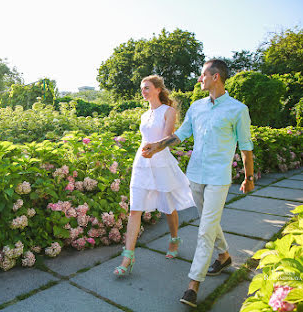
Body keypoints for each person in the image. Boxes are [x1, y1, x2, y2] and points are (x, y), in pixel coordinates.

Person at [142, 59, 254, 307]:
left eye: (203, 75)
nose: (199, 79)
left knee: (205, 230)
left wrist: (249, 177)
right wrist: (157, 146)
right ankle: (224, 256)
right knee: (209, 223)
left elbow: (246, 147)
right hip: (196, 175)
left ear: (215, 77)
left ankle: (193, 285)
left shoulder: (238, 110)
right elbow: (180, 135)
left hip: (218, 179)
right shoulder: (196, 107)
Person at [113, 75, 195, 276]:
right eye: (142, 88)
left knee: (168, 207)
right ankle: (127, 257)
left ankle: (174, 239)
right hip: (142, 162)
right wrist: (146, 151)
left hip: (160, 163)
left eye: (147, 87)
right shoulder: (144, 115)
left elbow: (168, 138)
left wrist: (155, 149)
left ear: (158, 89)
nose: (143, 91)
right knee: (135, 209)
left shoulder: (169, 111)